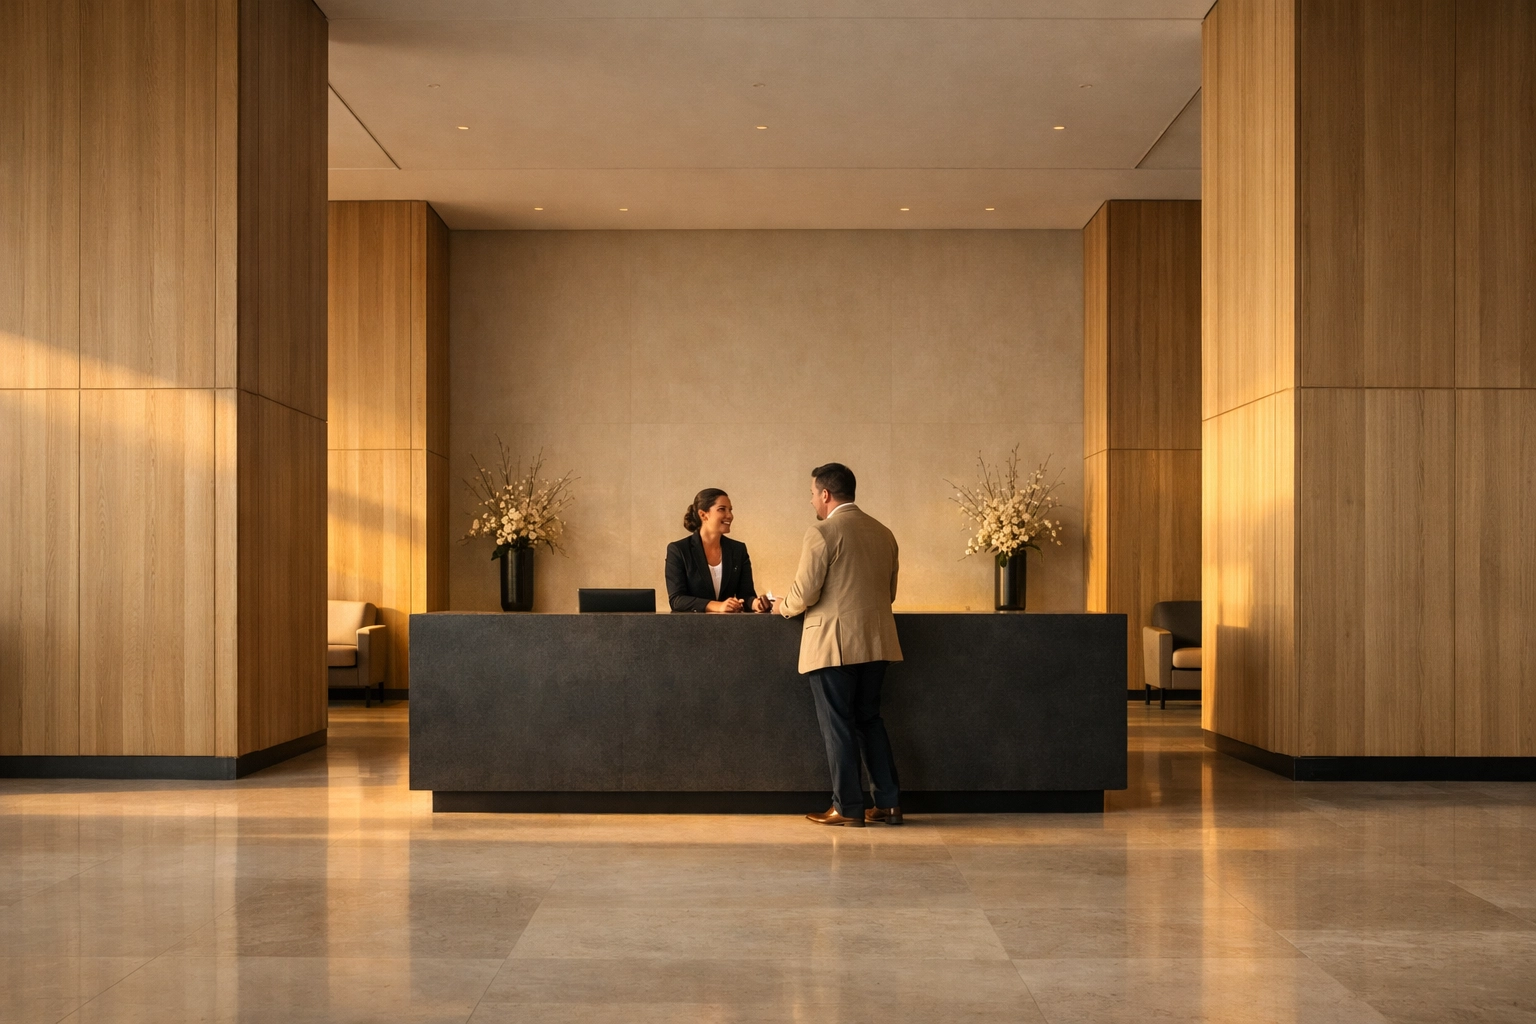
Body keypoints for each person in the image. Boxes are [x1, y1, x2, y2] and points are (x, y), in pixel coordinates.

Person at [771, 463, 903, 827]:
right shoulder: (884, 533)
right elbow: (888, 594)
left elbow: (804, 593)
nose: (812, 500)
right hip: (877, 644)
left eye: (813, 493)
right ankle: (888, 804)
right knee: (870, 721)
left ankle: (847, 806)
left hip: (833, 645)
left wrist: (781, 605)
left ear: (826, 494)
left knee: (839, 725)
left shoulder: (822, 532)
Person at [665, 488, 773, 613]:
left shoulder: (738, 550)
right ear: (703, 515)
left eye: (730, 510)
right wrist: (718, 606)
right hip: (690, 628)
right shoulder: (678, 550)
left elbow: (746, 595)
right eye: (722, 509)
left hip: (728, 628)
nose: (730, 515)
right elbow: (677, 600)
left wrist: (756, 604)